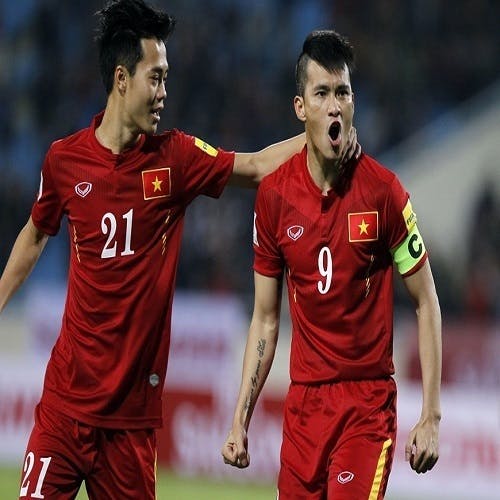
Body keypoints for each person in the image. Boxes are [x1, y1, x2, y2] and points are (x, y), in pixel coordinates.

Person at [0, 2, 359, 499]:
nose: (164, 92)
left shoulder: (176, 158)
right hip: (64, 407)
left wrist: (320, 132)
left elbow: (254, 166)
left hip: (131, 425)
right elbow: (35, 233)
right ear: (122, 79)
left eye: (166, 78)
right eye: (156, 78)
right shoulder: (64, 161)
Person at [222, 29, 442, 499]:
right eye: (321, 93)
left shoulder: (384, 193)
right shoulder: (274, 198)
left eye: (343, 92)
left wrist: (431, 415)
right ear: (300, 108)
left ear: (353, 102)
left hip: (366, 407)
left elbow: (426, 301)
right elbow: (265, 318)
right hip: (303, 410)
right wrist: (240, 417)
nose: (335, 106)